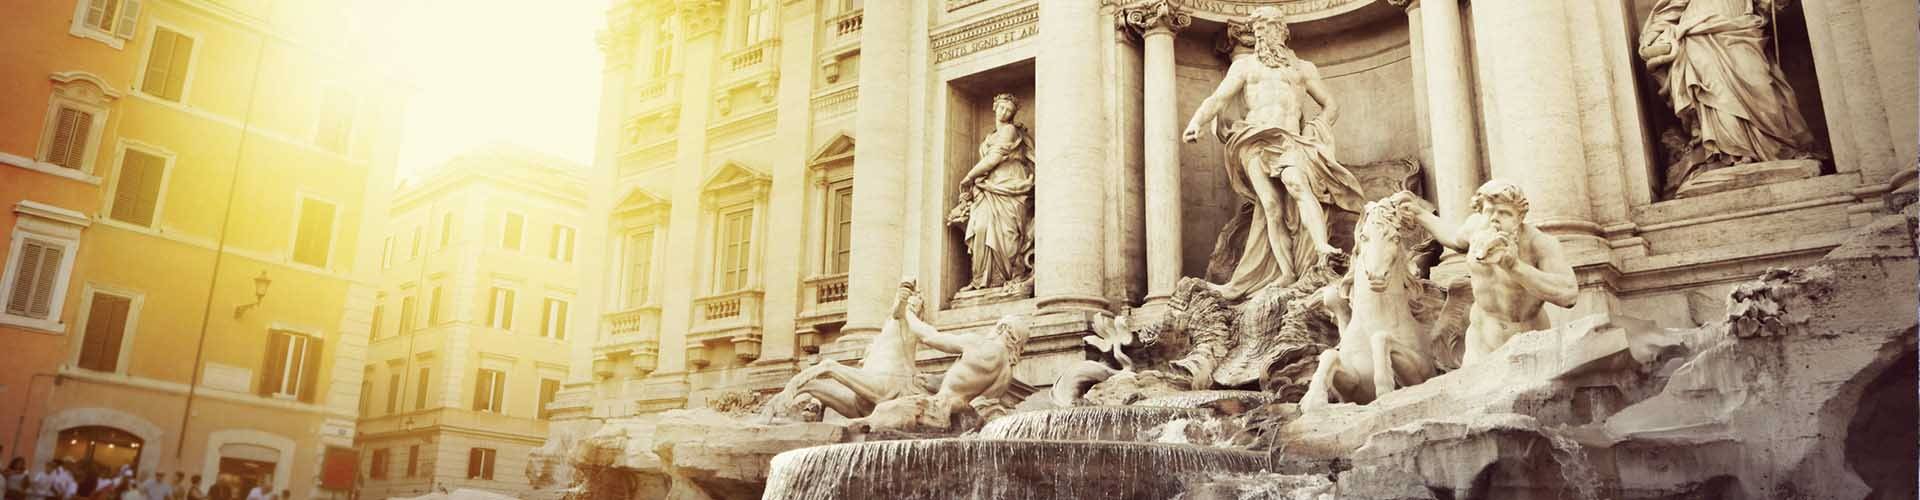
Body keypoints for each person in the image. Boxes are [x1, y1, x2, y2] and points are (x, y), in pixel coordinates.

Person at [1183, 6, 1367, 299]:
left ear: (1282, 31)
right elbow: (1218, 98)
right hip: (1253, 138)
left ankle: (1322, 248)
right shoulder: (1244, 67)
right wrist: (1196, 122)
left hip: (1289, 139)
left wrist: (1315, 129)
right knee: (1269, 205)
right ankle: (1286, 272)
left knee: (1296, 183)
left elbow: (1331, 105)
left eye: (1268, 27)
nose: (1262, 34)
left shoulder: (1303, 68)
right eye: (1258, 29)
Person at [1396, 181, 1578, 366]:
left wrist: (1514, 267)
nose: (1494, 219)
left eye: (1505, 213)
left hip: (1529, 341)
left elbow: (1568, 294)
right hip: (1480, 340)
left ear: (1520, 217)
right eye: (1489, 211)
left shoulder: (1539, 243)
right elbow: (1454, 238)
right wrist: (1419, 214)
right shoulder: (1476, 228)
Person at [948, 93, 1036, 292]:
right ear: (994, 107)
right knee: (981, 228)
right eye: (1002, 107)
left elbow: (994, 158)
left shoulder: (1010, 130)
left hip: (1010, 183)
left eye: (1010, 110)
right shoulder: (990, 136)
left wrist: (969, 177)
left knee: (1008, 234)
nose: (1005, 112)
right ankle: (981, 279)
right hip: (988, 187)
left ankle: (1007, 277)